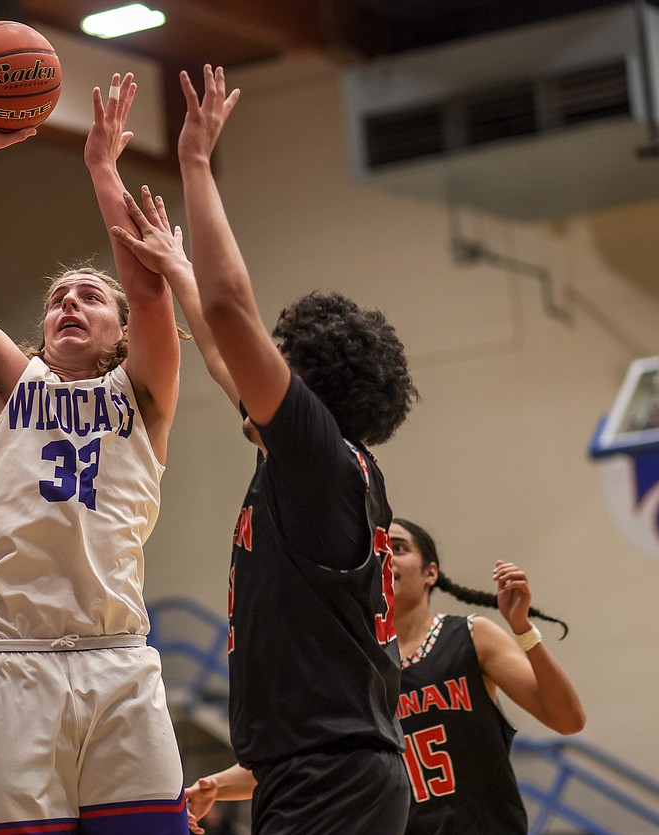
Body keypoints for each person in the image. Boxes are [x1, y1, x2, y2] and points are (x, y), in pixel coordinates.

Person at [112, 65, 418, 833]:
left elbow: (230, 309)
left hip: (335, 778)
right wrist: (178, 270)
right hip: (312, 772)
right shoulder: (316, 466)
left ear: (308, 386)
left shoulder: (320, 457)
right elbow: (222, 351)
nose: (258, 370)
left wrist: (194, 164)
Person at [0, 72, 187, 831]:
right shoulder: (1, 381)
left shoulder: (143, 395)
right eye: (59, 296)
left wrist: (101, 169)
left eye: (90, 294)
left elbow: (152, 292)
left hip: (118, 655)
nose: (68, 302)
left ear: (120, 332)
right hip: (13, 658)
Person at [388, 518, 586, 834]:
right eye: (375, 551)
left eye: (397, 548)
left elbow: (568, 720)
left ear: (431, 572)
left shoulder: (471, 636)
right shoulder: (360, 664)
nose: (385, 557)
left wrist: (522, 627)